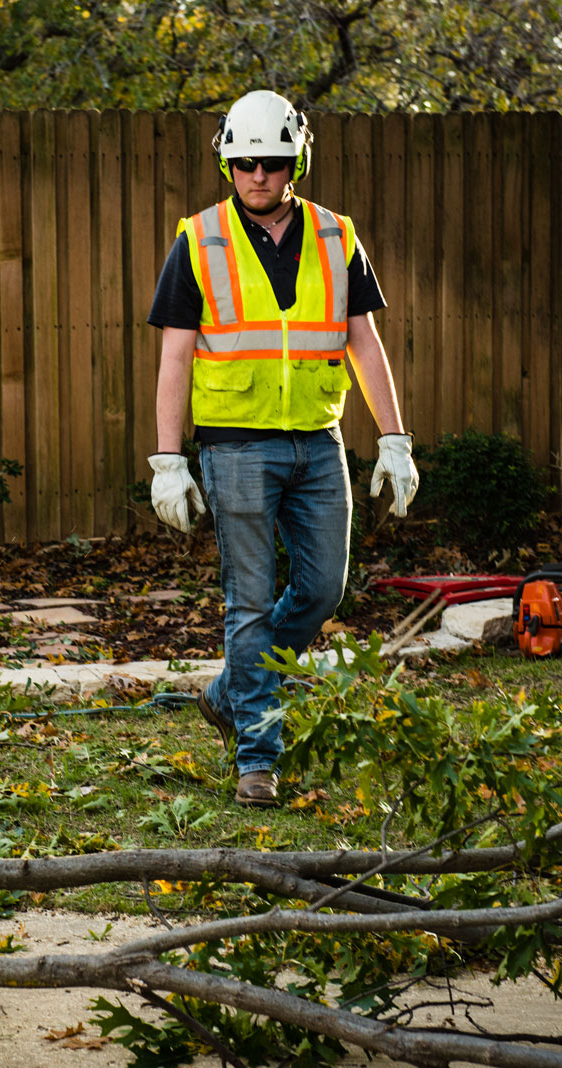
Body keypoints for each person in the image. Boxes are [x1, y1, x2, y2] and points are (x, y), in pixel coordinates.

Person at [146, 90, 418, 808]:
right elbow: (175, 358)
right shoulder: (198, 240)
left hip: (318, 444)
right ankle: (256, 758)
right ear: (227, 163)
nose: (257, 175)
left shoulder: (336, 236)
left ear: (296, 158)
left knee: (324, 588)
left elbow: (363, 340)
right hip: (234, 448)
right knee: (249, 602)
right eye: (243, 163)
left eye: (270, 162)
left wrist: (394, 438)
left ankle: (230, 692)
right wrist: (168, 458)